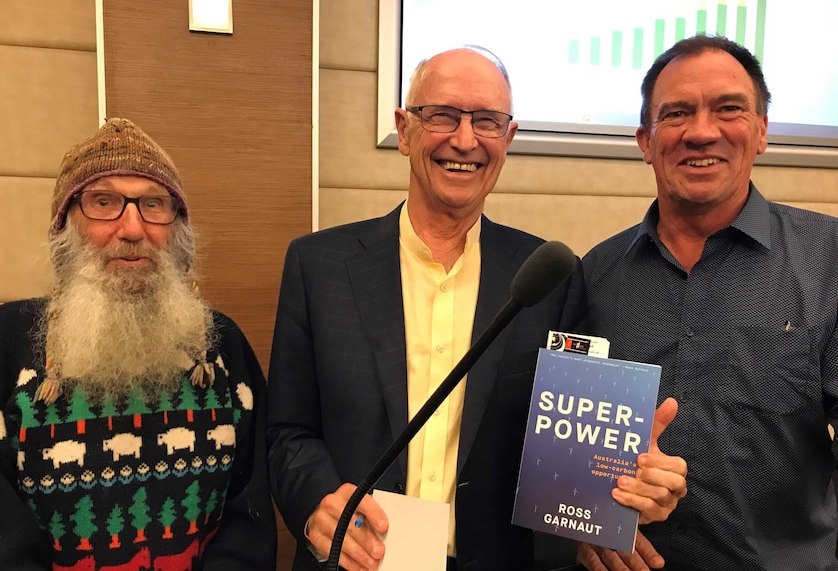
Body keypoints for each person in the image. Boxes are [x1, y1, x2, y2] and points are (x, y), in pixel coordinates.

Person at [267, 46, 687, 571]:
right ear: (404, 128)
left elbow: (571, 462)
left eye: (486, 121)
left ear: (507, 139)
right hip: (359, 560)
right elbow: (288, 433)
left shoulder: (550, 276)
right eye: (442, 115)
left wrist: (623, 479)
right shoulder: (317, 265)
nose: (464, 140)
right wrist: (315, 507)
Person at [581, 34, 838, 571]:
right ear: (645, 141)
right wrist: (586, 528)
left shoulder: (828, 259)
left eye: (729, 109)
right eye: (676, 113)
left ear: (762, 131)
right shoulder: (594, 276)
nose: (701, 132)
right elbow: (573, 454)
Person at [0, 118, 276, 570]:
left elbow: (248, 525)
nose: (132, 228)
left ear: (178, 230)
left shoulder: (221, 348)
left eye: (154, 205)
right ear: (65, 225)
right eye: (104, 202)